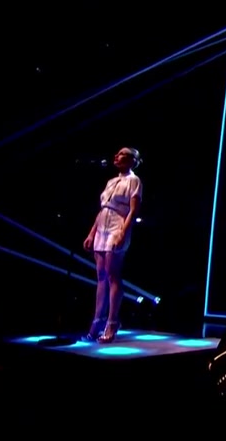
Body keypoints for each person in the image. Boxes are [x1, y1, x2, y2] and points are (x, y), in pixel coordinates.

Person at [82, 147, 143, 343]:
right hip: (102, 226)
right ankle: (97, 321)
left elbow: (133, 211)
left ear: (133, 160)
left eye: (122, 153)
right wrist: (92, 233)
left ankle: (112, 321)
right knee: (100, 277)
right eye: (117, 153)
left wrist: (123, 233)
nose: (117, 156)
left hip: (117, 226)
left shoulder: (134, 180)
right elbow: (103, 209)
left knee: (112, 275)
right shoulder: (110, 181)